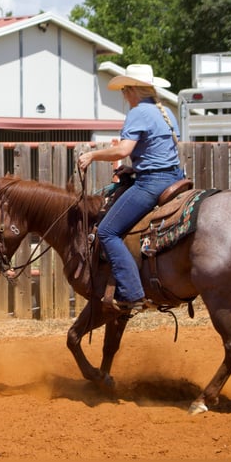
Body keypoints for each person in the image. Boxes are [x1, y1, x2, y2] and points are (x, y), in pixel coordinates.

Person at [78, 64, 184, 314]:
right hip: (174, 178)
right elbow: (159, 152)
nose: (124, 95)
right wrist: (134, 169)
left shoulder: (138, 113)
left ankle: (132, 293)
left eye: (125, 90)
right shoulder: (166, 112)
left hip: (152, 183)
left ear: (133, 90)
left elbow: (123, 150)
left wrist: (92, 155)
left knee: (107, 231)